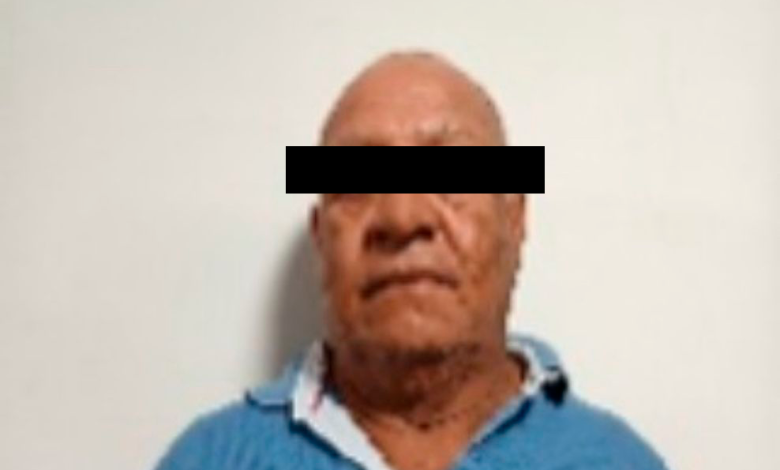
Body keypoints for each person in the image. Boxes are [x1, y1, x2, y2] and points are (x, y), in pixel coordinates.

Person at [154, 51, 668, 470]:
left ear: (514, 220)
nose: (403, 216)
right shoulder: (207, 460)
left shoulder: (620, 463)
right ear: (321, 239)